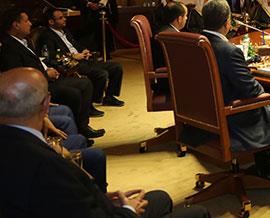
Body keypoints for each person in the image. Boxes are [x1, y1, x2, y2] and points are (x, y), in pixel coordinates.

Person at [0, 67, 210, 217]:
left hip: (92, 206)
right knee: (198, 213)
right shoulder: (49, 166)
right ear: (47, 104)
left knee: (161, 198)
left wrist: (101, 199)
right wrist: (128, 210)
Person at [188, 0, 270, 186]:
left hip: (202, 118)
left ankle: (264, 167)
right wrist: (269, 94)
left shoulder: (195, 44)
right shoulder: (228, 51)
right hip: (232, 120)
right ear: (227, 23)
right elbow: (251, 90)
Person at [0, 8, 103, 138]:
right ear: (16, 25)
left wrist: (49, 69)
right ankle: (78, 131)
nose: (30, 24)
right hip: (35, 86)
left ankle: (83, 126)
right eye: (26, 21)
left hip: (47, 76)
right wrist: (46, 74)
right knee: (74, 93)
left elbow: (38, 60)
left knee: (85, 83)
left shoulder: (24, 40)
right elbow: (18, 75)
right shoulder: (8, 47)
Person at [38, 8, 125, 107]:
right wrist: (73, 56)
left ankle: (109, 97)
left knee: (116, 67)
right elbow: (52, 58)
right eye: (61, 18)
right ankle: (90, 103)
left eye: (64, 17)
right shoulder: (46, 36)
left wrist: (84, 50)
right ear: (51, 22)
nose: (65, 19)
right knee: (101, 74)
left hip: (83, 60)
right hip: (72, 65)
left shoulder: (65, 30)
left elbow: (75, 45)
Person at [150, 2, 188, 94]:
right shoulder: (171, 36)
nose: (186, 18)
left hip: (166, 78)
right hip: (171, 83)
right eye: (185, 15)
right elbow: (180, 62)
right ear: (179, 19)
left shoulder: (164, 30)